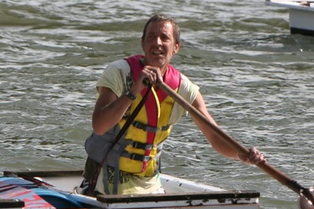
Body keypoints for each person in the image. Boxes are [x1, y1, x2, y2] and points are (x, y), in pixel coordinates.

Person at [82, 14, 266, 196]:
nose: (157, 43)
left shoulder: (184, 89)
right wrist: (133, 91)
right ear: (143, 44)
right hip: (104, 181)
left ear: (176, 47)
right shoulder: (120, 73)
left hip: (149, 183)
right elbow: (99, 126)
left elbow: (214, 135)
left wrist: (242, 155)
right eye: (151, 37)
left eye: (165, 38)